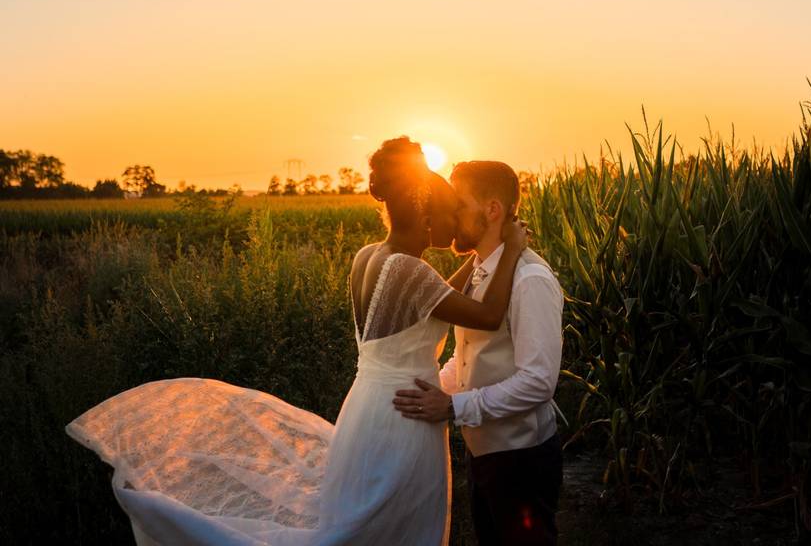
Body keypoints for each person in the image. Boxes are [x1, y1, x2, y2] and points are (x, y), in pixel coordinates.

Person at [64, 137, 530, 546]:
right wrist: (509, 247)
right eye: (450, 212)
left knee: (360, 521)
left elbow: (435, 298)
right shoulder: (410, 271)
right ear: (426, 209)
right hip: (402, 418)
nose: (455, 223)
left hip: (369, 408)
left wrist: (481, 255)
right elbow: (487, 315)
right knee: (380, 530)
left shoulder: (371, 257)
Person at [392, 160, 565, 546]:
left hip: (521, 458)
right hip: (483, 453)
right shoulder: (479, 271)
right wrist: (433, 391)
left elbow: (538, 382)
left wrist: (454, 408)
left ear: (492, 210)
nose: (451, 215)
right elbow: (470, 354)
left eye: (459, 204)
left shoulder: (529, 280)